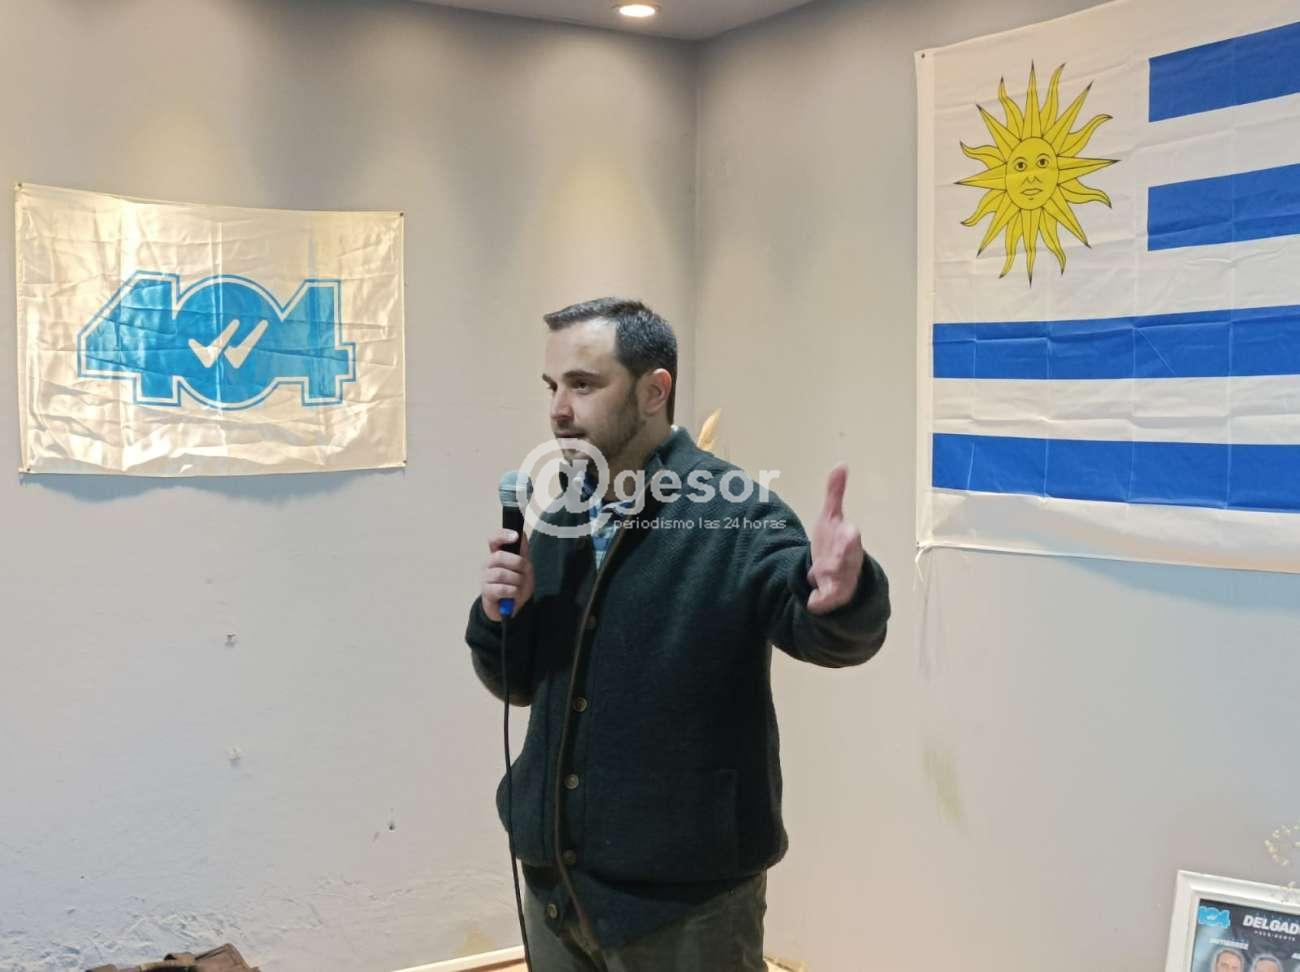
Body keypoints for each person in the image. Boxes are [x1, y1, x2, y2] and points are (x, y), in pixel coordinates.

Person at [465, 297, 890, 971]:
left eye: (583, 384)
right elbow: (517, 685)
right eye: (552, 387)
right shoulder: (564, 516)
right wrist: (497, 618)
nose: (559, 410)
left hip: (684, 910)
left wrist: (843, 596)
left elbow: (821, 628)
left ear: (653, 391)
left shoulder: (733, 512)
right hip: (555, 891)